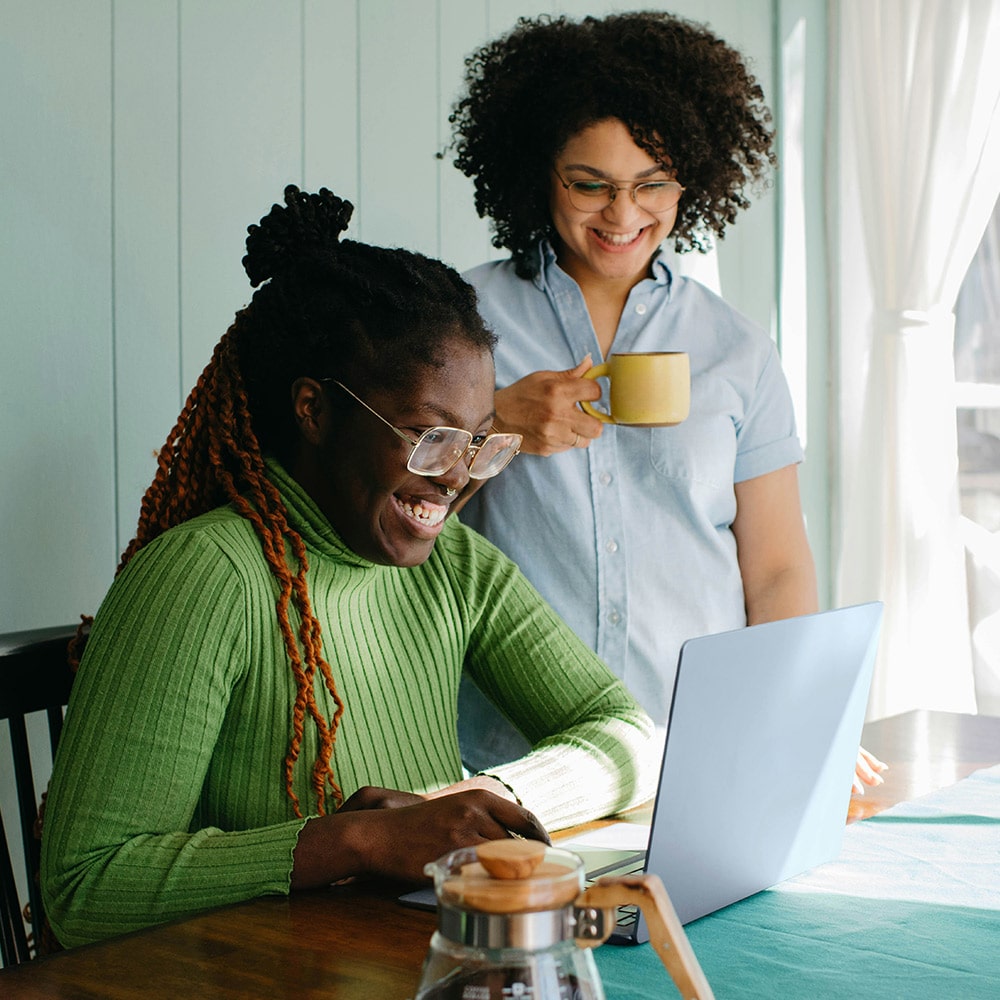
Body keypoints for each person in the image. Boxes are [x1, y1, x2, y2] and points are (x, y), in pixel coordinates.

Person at [39, 185, 658, 948]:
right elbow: (84, 886)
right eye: (430, 438)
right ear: (313, 410)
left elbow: (628, 733)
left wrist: (479, 797)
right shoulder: (207, 577)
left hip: (405, 962)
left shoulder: (454, 564)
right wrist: (354, 841)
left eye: (480, 443)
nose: (456, 476)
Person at [449, 11, 886, 792]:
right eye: (591, 185)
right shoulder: (456, 326)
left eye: (653, 184)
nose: (623, 216)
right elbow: (383, 526)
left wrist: (798, 712)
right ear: (537, 170)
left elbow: (778, 567)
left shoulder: (736, 349)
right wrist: (497, 424)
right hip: (515, 763)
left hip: (700, 749)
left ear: (693, 180)